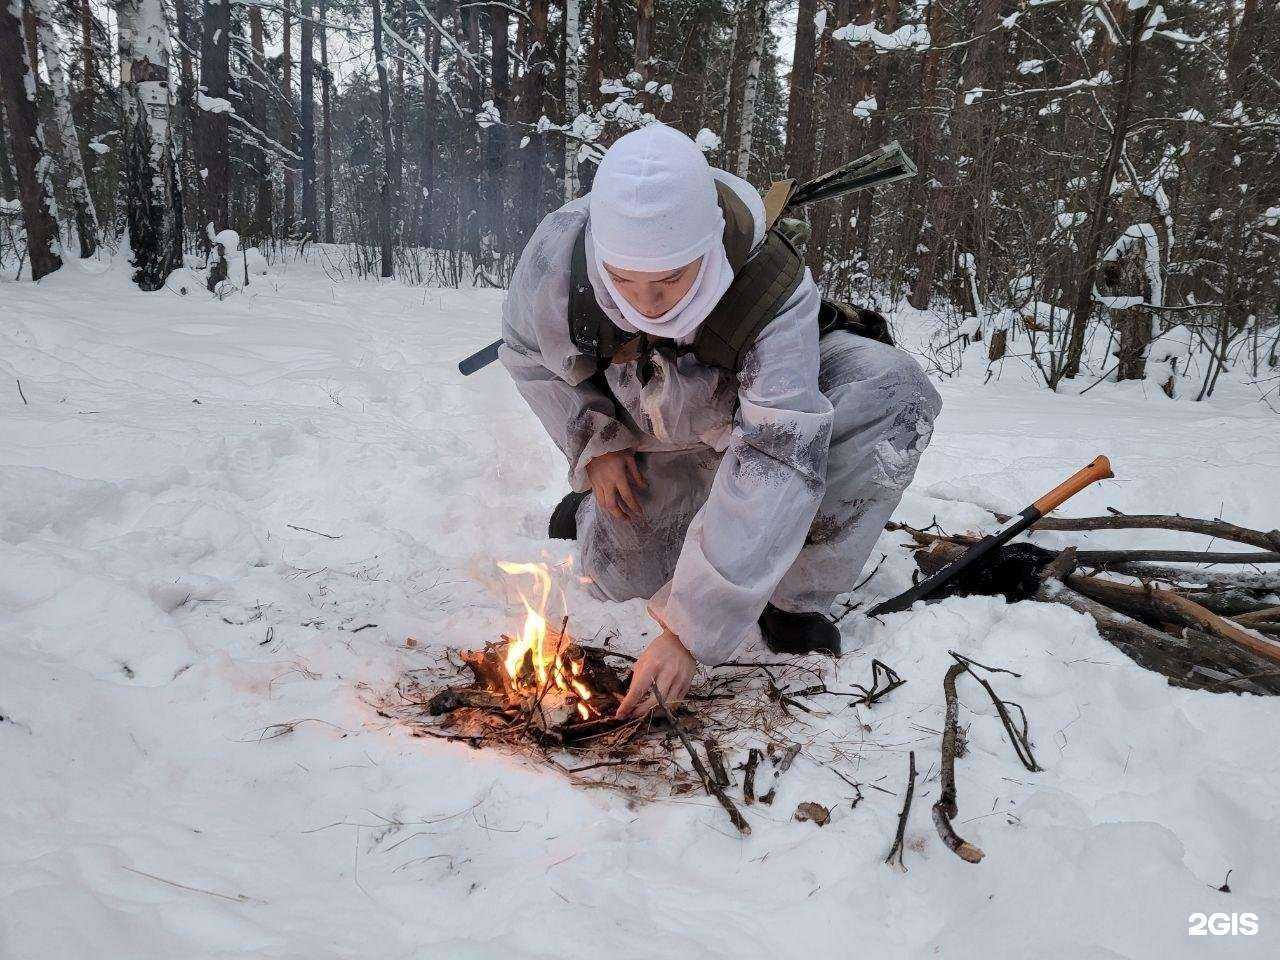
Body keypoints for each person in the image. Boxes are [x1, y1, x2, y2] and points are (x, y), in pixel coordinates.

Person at [498, 123, 942, 720]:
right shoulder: (558, 258)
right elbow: (529, 355)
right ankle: (587, 514)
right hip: (646, 425)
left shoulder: (769, 282)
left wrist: (689, 630)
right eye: (624, 280)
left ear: (707, 247)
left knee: (893, 390)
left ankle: (792, 597)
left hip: (749, 412)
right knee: (631, 578)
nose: (647, 303)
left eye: (670, 280)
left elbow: (778, 450)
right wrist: (596, 442)